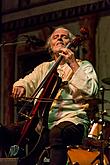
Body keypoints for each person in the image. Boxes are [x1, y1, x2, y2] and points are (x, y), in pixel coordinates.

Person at [12, 27, 98, 165]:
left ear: (71, 43)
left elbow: (91, 90)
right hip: (42, 123)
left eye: (64, 36)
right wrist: (20, 85)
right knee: (6, 131)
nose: (59, 38)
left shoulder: (83, 65)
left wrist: (72, 63)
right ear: (50, 46)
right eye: (55, 36)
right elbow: (28, 81)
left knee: (56, 133)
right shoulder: (44, 68)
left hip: (73, 120)